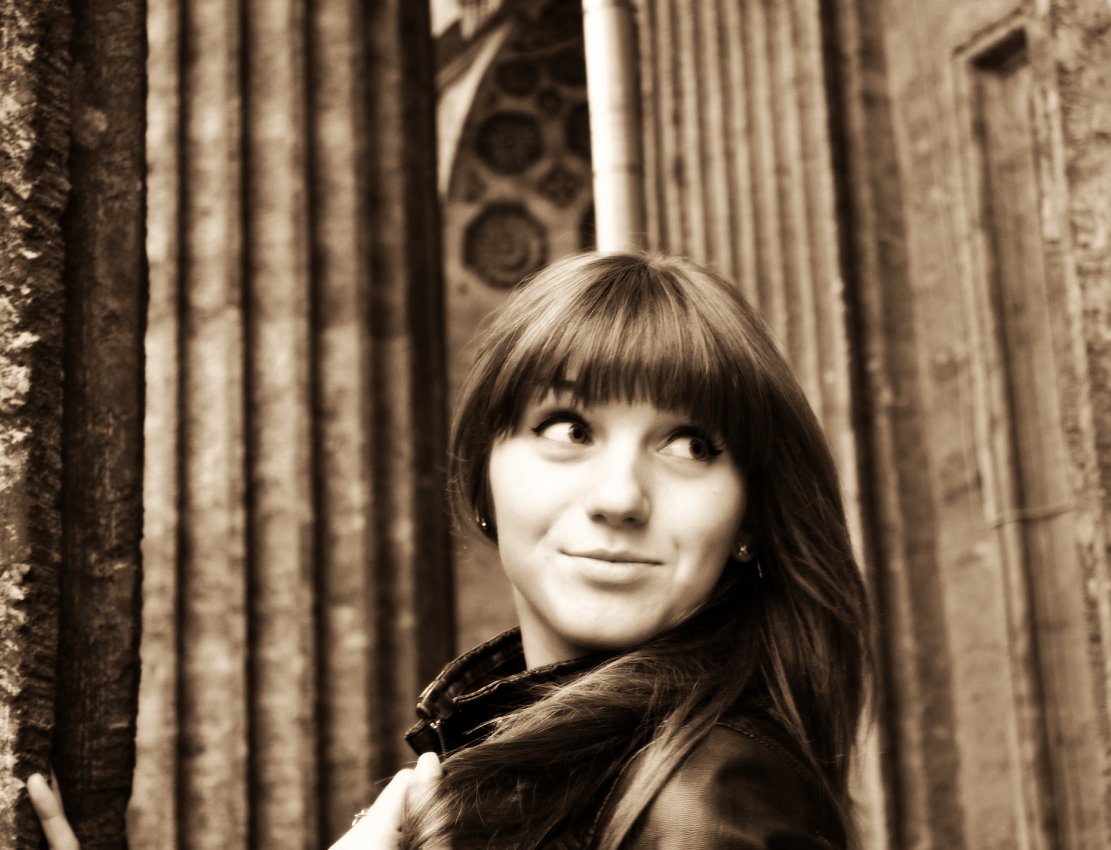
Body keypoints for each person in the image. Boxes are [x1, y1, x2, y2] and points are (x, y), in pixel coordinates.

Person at [31, 250, 873, 849]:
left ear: (752, 516)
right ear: (483, 479)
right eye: (569, 429)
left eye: (691, 445)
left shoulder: (711, 802)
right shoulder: (523, 758)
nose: (620, 497)